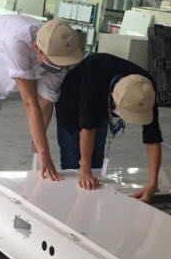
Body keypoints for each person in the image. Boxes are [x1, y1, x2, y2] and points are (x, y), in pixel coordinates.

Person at [0, 16, 83, 179]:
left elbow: (45, 102)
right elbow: (30, 103)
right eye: (54, 63)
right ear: (37, 48)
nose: (59, 68)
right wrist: (44, 151)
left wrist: (38, 141)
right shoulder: (17, 43)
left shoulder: (61, 55)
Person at [55, 52, 162, 202]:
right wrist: (84, 171)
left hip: (101, 93)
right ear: (113, 99)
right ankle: (70, 201)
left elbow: (153, 137)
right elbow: (87, 129)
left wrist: (153, 182)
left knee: (96, 158)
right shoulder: (92, 81)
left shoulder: (145, 90)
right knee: (73, 160)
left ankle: (91, 201)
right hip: (70, 102)